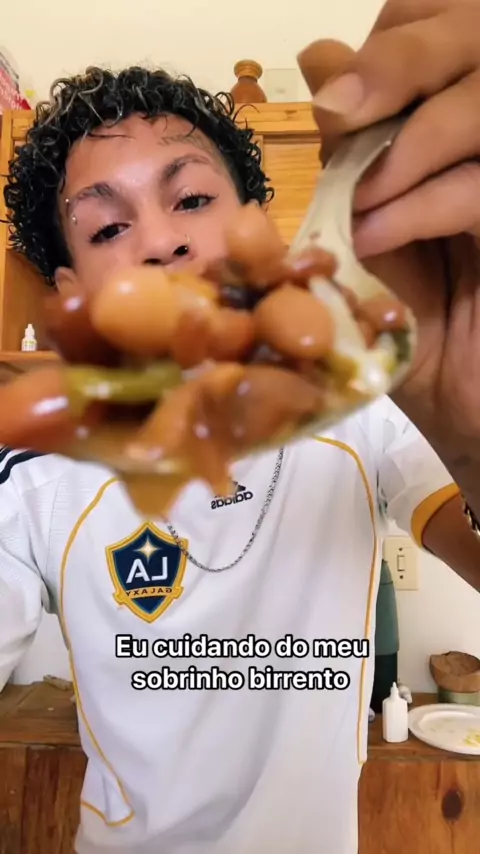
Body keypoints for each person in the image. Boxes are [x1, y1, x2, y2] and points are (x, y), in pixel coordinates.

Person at [1, 0, 480, 851]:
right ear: (73, 293)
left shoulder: (366, 408)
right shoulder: (38, 472)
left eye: (190, 197)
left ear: (260, 230)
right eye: (109, 226)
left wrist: (472, 434)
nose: (160, 243)